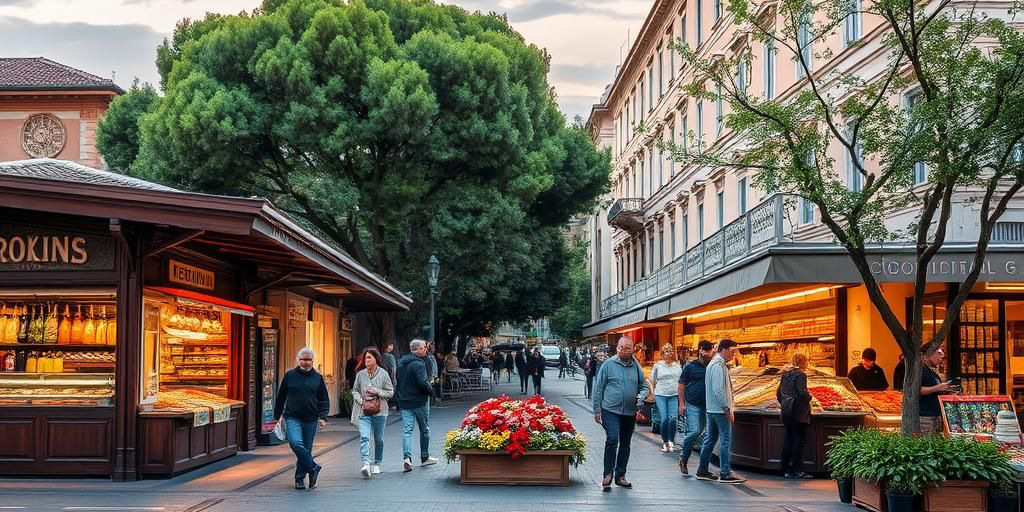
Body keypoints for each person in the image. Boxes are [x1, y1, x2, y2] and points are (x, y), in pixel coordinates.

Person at [592, 336, 650, 491]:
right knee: (612, 439)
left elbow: (644, 386)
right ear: (617, 348)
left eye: (628, 348)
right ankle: (607, 474)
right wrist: (597, 410)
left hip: (629, 412)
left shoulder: (636, 366)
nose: (625, 350)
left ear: (632, 349)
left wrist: (642, 396)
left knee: (625, 443)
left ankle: (620, 475)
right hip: (610, 409)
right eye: (622, 347)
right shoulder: (608, 365)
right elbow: (598, 388)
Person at [274, 347, 330, 490]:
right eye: (303, 359)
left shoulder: (317, 377)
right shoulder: (290, 375)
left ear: (313, 361)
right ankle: (313, 467)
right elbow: (281, 396)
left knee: (306, 449)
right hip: (292, 417)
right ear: (298, 360)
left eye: (308, 359)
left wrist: (323, 417)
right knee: (296, 443)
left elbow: (324, 399)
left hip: (311, 419)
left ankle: (300, 479)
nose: (305, 362)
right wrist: (277, 415)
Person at [696, 339, 746, 484]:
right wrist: (727, 409)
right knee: (725, 440)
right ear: (723, 350)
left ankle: (702, 470)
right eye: (732, 350)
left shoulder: (714, 364)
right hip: (719, 410)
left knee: (710, 439)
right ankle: (725, 472)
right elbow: (718, 390)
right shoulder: (718, 366)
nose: (733, 354)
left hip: (712, 408)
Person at [351, 347, 395, 479]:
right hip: (364, 412)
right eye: (365, 358)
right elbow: (354, 390)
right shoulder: (360, 374)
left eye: (369, 357)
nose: (366, 360)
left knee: (378, 439)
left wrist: (377, 391)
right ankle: (365, 463)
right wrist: (361, 401)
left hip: (380, 411)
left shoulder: (383, 374)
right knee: (364, 437)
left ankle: (377, 462)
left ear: (376, 359)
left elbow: (390, 392)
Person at [397, 339, 438, 471]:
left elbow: (398, 381)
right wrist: (431, 391)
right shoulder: (419, 364)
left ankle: (407, 458)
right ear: (418, 349)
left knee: (407, 431)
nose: (426, 349)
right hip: (419, 401)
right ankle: (424, 457)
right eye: (424, 347)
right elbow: (422, 382)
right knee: (424, 429)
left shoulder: (401, 363)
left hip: (405, 402)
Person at [677, 340, 714, 476]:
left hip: (709, 405)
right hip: (693, 403)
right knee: (695, 431)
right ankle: (683, 456)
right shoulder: (690, 366)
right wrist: (681, 403)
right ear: (700, 350)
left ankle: (702, 468)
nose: (709, 354)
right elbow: (681, 384)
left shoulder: (713, 365)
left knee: (705, 436)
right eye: (706, 350)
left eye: (710, 351)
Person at [777, 353, 813, 479]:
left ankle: (785, 468)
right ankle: (797, 470)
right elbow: (802, 392)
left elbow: (778, 393)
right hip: (798, 411)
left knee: (788, 439)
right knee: (799, 440)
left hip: (786, 411)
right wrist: (810, 397)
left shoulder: (785, 374)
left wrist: (784, 403)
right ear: (804, 362)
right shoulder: (801, 374)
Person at [650, 343, 682, 452]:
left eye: (670, 352)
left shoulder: (677, 365)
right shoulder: (658, 365)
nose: (668, 354)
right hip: (660, 394)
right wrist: (652, 392)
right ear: (662, 354)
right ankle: (664, 441)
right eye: (666, 352)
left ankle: (671, 441)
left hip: (673, 395)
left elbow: (681, 381)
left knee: (673, 418)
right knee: (664, 418)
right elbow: (651, 379)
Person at [919, 346, 951, 435]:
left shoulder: (932, 372)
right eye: (939, 353)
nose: (942, 356)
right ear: (929, 354)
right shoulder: (921, 370)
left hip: (934, 416)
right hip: (925, 417)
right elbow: (918, 390)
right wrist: (937, 388)